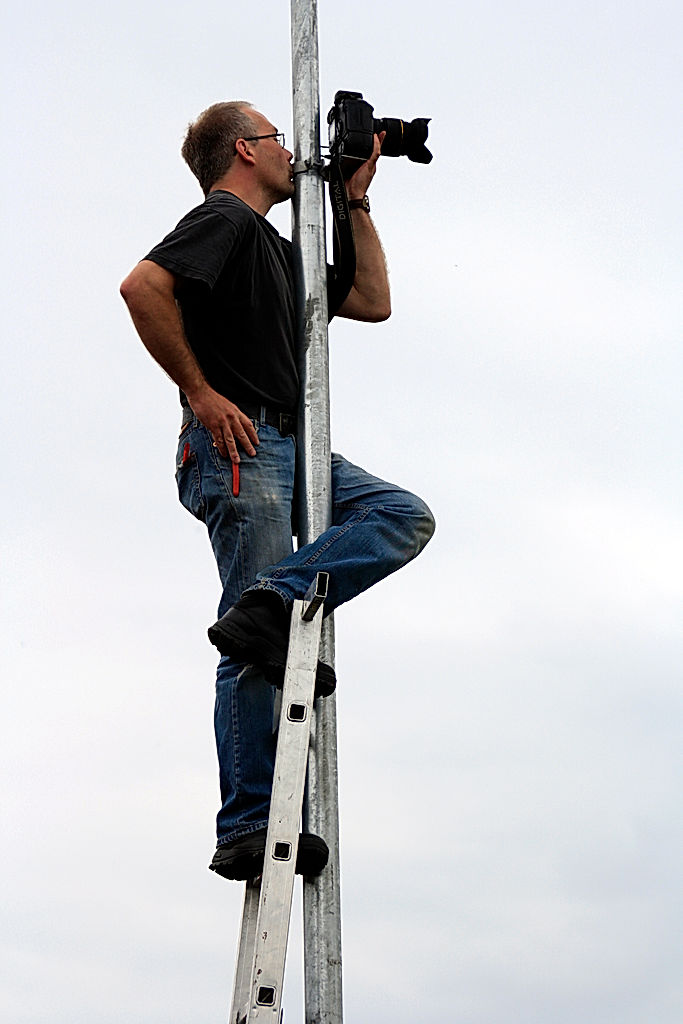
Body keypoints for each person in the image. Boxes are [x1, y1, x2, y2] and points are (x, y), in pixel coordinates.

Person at [120, 101, 434, 881]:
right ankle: (251, 823)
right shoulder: (222, 216)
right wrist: (198, 392)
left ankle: (274, 598)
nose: (292, 152)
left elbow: (368, 301)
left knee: (399, 514)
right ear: (243, 152)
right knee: (252, 641)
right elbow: (142, 288)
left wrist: (354, 196)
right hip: (240, 442)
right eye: (276, 138)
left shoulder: (275, 243)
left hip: (291, 445)